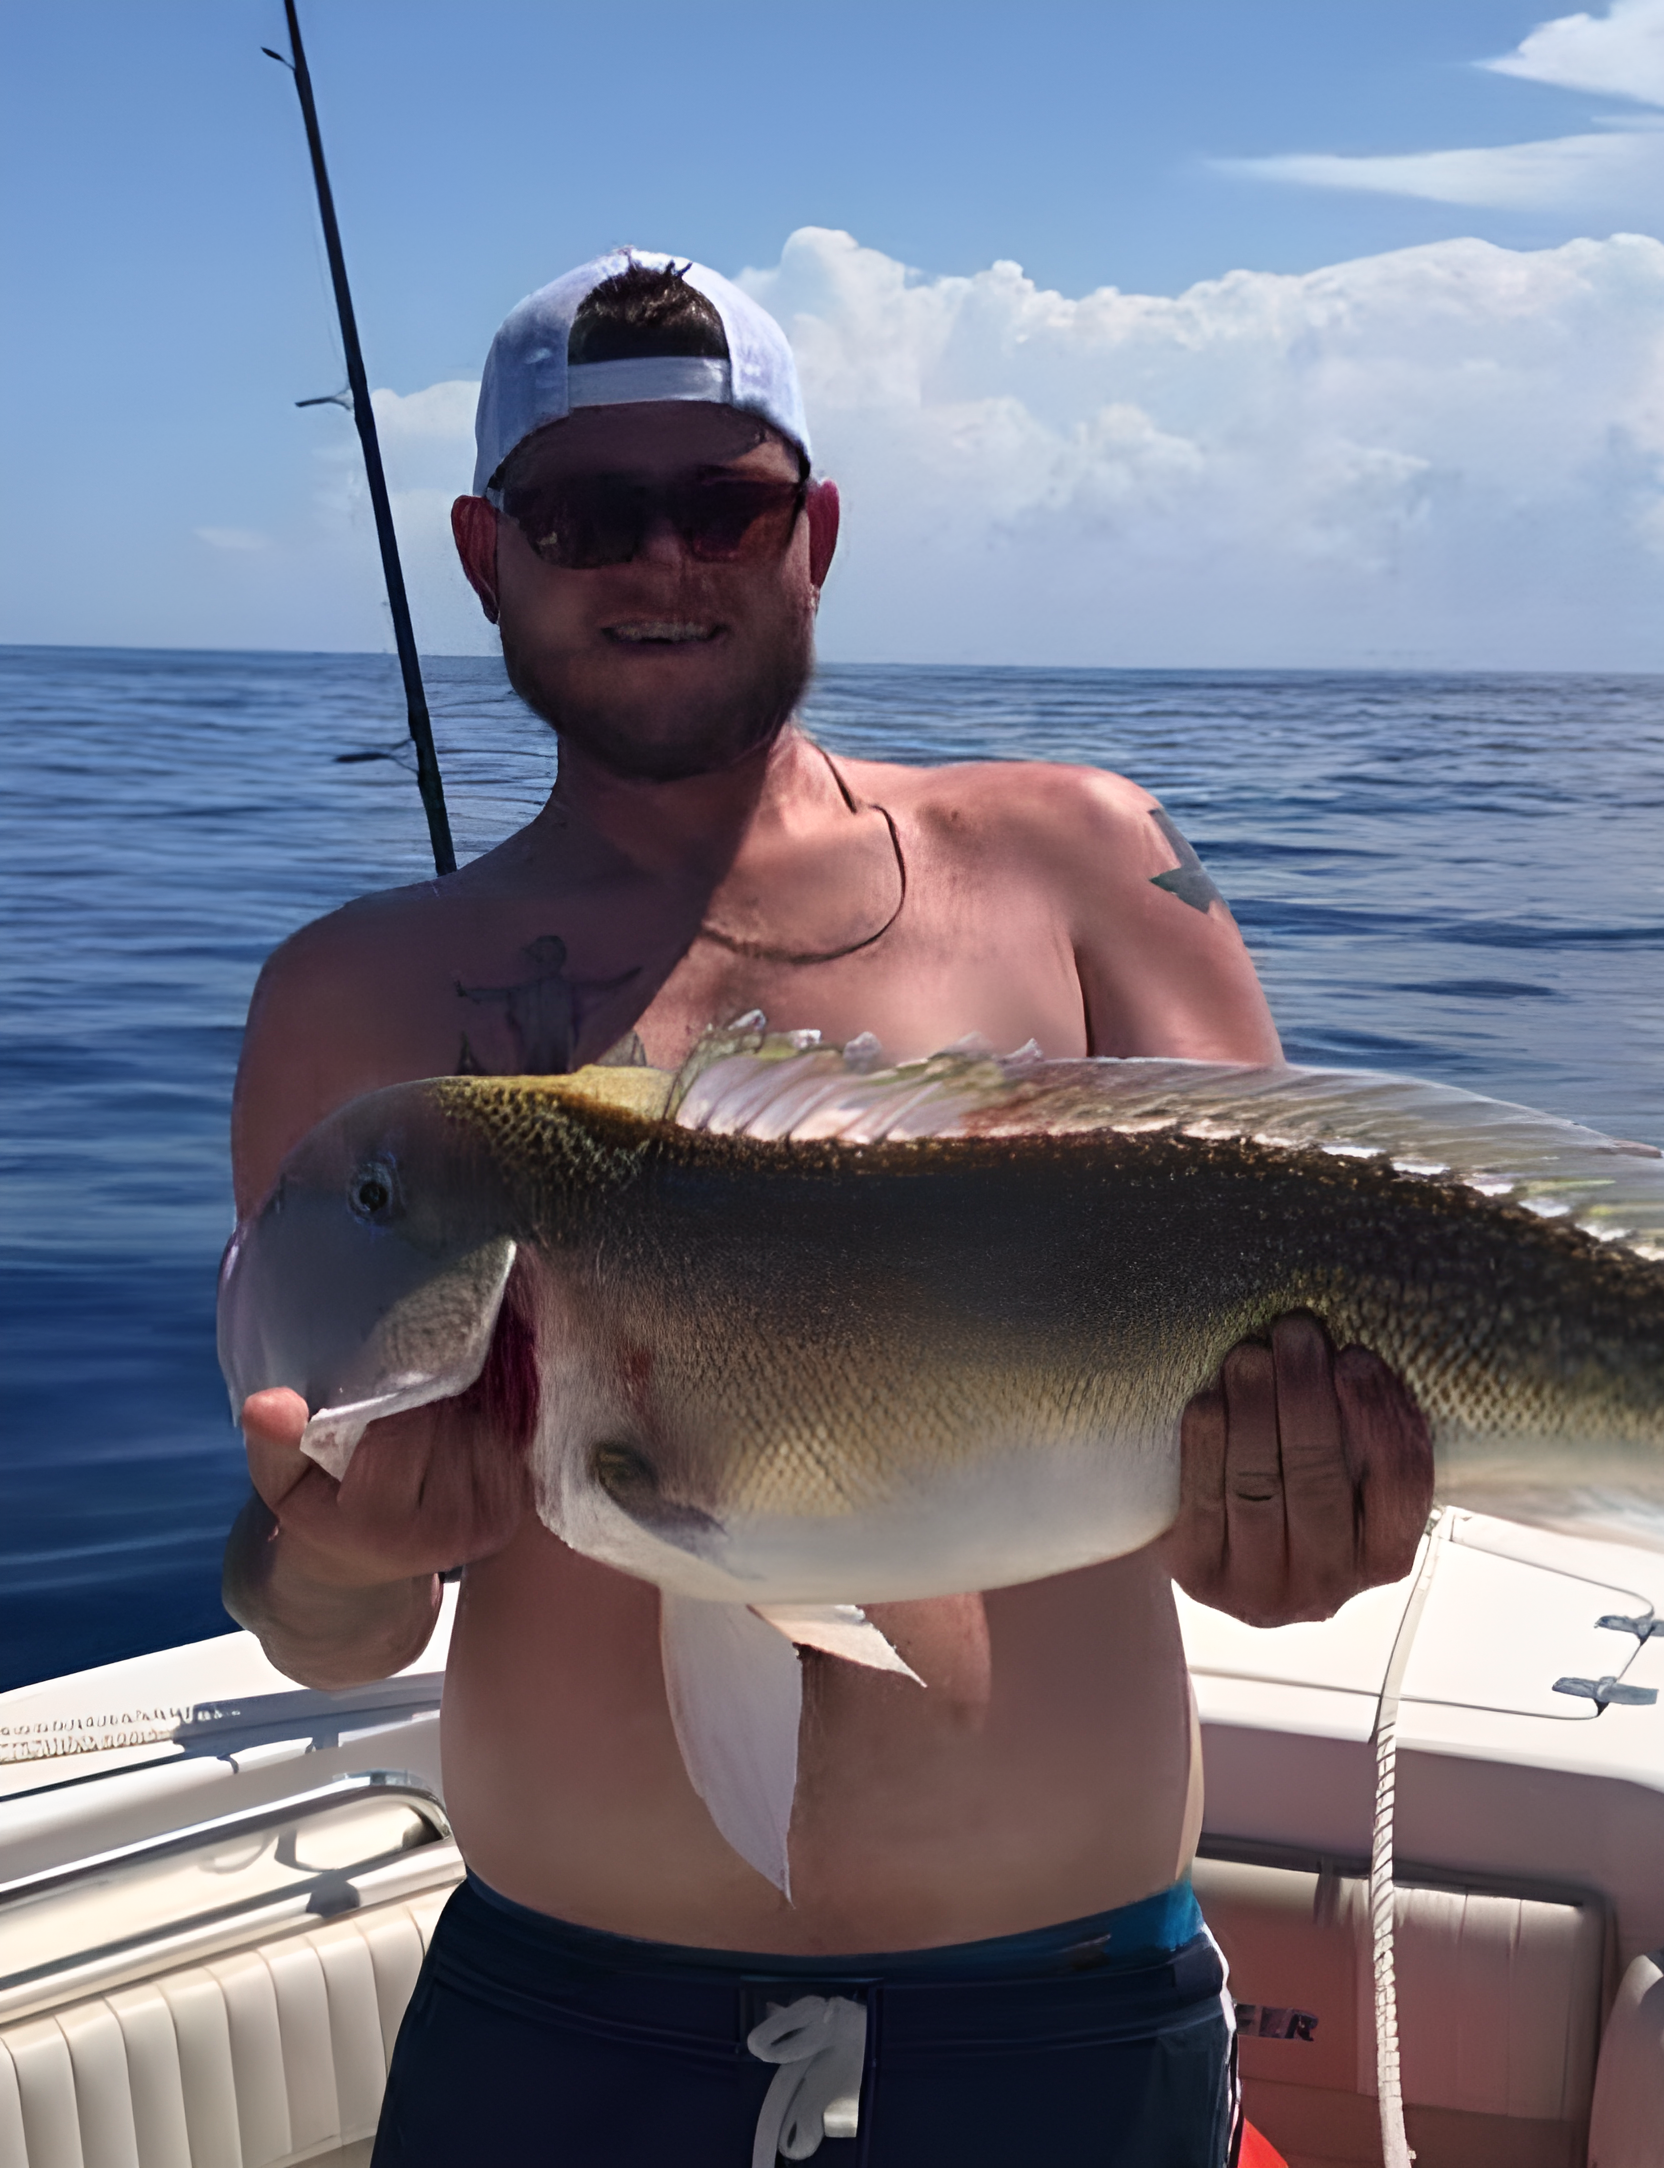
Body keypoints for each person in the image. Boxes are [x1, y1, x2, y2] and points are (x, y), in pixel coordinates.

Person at [224, 250, 1432, 2167]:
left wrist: (1308, 1518)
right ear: (482, 552)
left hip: (1068, 2019)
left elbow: (1303, 1333)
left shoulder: (1087, 866)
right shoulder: (358, 1014)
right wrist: (355, 1562)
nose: (660, 559)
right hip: (563, 2029)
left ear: (819, 532)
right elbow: (322, 1620)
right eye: (586, 513)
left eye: (725, 502)